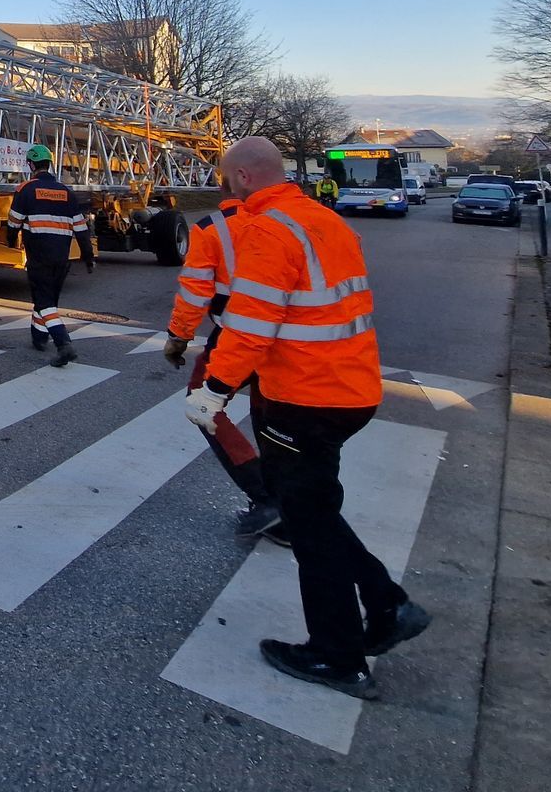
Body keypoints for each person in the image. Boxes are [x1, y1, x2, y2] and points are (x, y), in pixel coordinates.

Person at [184, 136, 429, 700]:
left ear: (243, 177)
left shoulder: (269, 231)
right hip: (350, 388)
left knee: (309, 526)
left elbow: (250, 324)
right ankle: (388, 604)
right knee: (313, 508)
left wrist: (215, 391)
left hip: (301, 397)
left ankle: (338, 656)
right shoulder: (326, 220)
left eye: (228, 179)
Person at [162, 195, 281, 539]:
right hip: (292, 337)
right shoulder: (302, 221)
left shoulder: (213, 228)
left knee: (204, 405)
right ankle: (287, 505)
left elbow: (196, 292)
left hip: (237, 333)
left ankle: (264, 497)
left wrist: (178, 338)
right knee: (269, 412)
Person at [5, 145, 79, 367]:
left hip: (39, 255)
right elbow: (81, 227)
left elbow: (13, 222)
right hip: (62, 257)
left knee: (44, 300)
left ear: (30, 165)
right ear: (50, 163)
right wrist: (87, 255)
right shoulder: (66, 191)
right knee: (45, 299)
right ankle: (39, 336)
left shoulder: (25, 189)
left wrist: (10, 241)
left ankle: (63, 342)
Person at [70, 191, 98, 274]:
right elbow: (83, 238)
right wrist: (89, 260)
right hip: (59, 250)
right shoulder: (67, 197)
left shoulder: (31, 189)